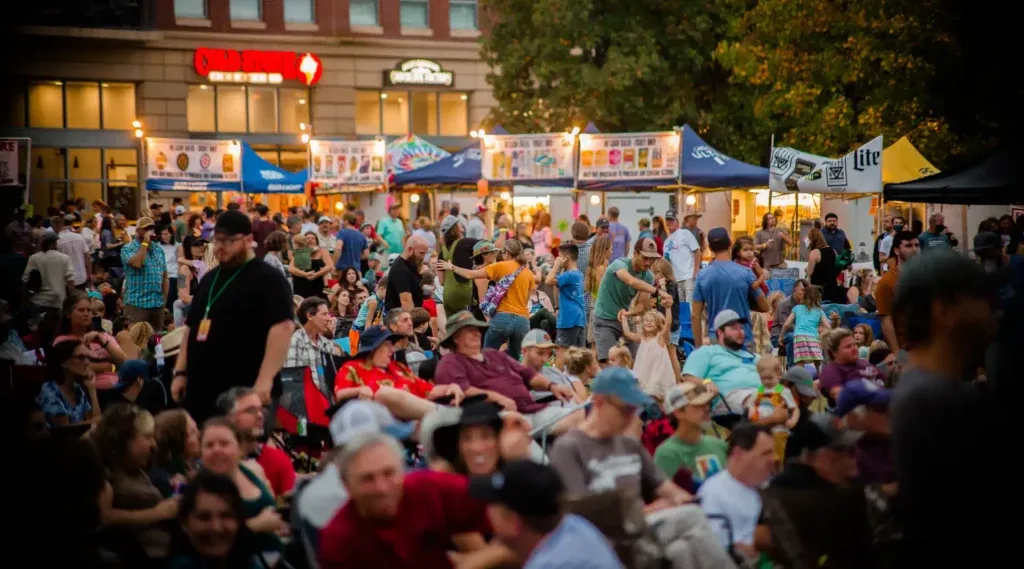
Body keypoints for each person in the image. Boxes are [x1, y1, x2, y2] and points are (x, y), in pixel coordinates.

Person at [548, 367, 734, 568]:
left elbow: (665, 486)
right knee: (692, 518)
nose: (632, 417)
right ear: (600, 402)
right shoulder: (569, 448)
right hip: (604, 538)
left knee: (681, 550)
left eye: (635, 410)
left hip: (641, 532)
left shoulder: (629, 445)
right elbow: (579, 514)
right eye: (626, 409)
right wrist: (647, 511)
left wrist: (680, 498)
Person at [889, 251, 1000, 566]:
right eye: (983, 299)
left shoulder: (920, 389)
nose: (994, 312)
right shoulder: (937, 400)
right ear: (944, 311)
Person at [171, 211, 295, 424]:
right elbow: (190, 329)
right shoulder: (209, 279)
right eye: (217, 240)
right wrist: (180, 371)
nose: (220, 247)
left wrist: (264, 382)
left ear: (248, 240)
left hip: (245, 388)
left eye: (228, 241)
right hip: (202, 389)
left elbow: (282, 328)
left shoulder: (268, 278)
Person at [317, 431, 491, 569]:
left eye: (389, 473)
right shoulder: (338, 541)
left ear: (402, 472)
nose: (382, 488)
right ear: (347, 485)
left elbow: (503, 498)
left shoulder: (428, 488)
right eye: (367, 479)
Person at [434, 311, 583, 433]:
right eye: (469, 330)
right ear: (455, 338)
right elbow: (463, 390)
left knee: (579, 415)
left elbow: (528, 374)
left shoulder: (494, 354)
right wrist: (499, 398)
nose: (477, 333)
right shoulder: (451, 362)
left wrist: (552, 386)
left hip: (531, 411)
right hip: (500, 420)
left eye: (477, 329)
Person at [469, 460, 626, 569]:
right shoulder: (574, 525)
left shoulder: (550, 564)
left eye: (491, 503)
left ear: (512, 520)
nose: (487, 510)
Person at [198, 418, 285, 561]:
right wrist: (257, 525)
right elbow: (208, 542)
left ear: (239, 448)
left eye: (224, 443)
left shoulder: (250, 470)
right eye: (209, 445)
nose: (217, 450)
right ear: (201, 452)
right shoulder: (201, 489)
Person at [440, 239, 536, 360]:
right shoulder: (528, 272)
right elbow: (526, 299)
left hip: (502, 318)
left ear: (506, 253)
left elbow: (470, 274)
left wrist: (452, 267)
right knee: (515, 361)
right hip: (523, 321)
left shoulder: (501, 266)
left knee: (487, 357)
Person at [697, 423, 776, 561]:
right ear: (738, 454)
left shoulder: (772, 487)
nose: (773, 459)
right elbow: (714, 551)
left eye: (772, 452)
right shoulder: (714, 493)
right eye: (765, 453)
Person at [165, 471, 264, 569]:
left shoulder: (248, 561)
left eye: (226, 516)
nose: (216, 528)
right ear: (184, 523)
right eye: (204, 517)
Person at [592, 238, 670, 362]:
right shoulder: (619, 264)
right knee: (610, 363)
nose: (648, 262)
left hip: (624, 320)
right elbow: (631, 281)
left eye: (652, 259)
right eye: (645, 258)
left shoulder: (648, 275)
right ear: (635, 254)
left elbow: (641, 305)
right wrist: (658, 291)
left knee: (635, 360)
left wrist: (628, 313)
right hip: (604, 319)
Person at [691, 228, 769, 351]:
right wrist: (744, 303)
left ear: (710, 249)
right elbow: (765, 306)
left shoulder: (702, 276)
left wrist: (698, 347)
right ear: (730, 244)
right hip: (742, 337)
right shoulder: (746, 273)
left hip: (717, 338)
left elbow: (695, 315)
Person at [653, 382, 726, 486]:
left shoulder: (719, 445)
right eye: (698, 405)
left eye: (707, 404)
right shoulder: (667, 454)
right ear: (678, 412)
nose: (707, 409)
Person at [36, 338, 102, 427]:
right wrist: (97, 422)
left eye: (88, 358)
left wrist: (92, 390)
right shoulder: (49, 389)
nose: (87, 362)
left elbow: (94, 419)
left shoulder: (77, 388)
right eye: (81, 357)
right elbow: (64, 429)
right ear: (64, 362)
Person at [874, 230, 919, 353]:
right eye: (908, 246)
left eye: (917, 245)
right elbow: (886, 321)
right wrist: (897, 353)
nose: (915, 250)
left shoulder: (924, 275)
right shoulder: (887, 282)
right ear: (896, 250)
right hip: (906, 346)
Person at [121, 216, 169, 331]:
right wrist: (145, 243)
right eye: (146, 228)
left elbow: (165, 277)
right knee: (137, 341)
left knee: (157, 341)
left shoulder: (158, 250)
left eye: (152, 228)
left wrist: (164, 300)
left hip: (157, 304)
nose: (150, 231)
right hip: (137, 304)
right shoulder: (128, 249)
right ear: (138, 231)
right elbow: (138, 263)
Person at [620, 305, 676, 401]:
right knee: (643, 396)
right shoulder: (642, 339)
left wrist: (668, 308)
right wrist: (624, 318)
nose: (648, 323)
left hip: (656, 373)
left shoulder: (659, 338)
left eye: (652, 321)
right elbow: (628, 333)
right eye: (646, 320)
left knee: (656, 396)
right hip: (644, 373)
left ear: (658, 324)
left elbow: (668, 324)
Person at [749, 355, 799, 462]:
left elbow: (795, 408)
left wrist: (792, 420)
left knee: (778, 458)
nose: (766, 382)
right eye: (763, 378)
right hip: (762, 431)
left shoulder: (783, 391)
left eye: (770, 378)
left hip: (779, 431)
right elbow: (752, 406)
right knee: (764, 458)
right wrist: (752, 412)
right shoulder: (758, 392)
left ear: (778, 375)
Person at [22, 232, 74, 320]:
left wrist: (25, 299)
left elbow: (25, 280)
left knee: (37, 330)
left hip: (38, 301)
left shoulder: (34, 258)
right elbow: (70, 280)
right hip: (58, 302)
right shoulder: (65, 258)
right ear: (54, 243)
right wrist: (72, 299)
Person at [546, 242, 587, 348]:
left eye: (559, 256)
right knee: (577, 356)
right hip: (578, 319)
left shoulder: (569, 275)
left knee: (561, 353)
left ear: (566, 258)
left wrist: (556, 265)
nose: (558, 258)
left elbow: (548, 280)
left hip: (568, 319)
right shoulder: (577, 273)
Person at [779, 283, 830, 367]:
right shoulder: (819, 311)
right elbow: (828, 327)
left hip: (799, 338)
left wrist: (781, 337)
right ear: (818, 298)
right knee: (818, 363)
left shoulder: (797, 308)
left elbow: (786, 324)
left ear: (804, 296)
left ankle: (800, 379)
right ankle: (821, 378)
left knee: (800, 362)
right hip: (813, 337)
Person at [662, 210, 702, 302]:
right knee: (681, 307)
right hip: (675, 279)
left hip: (688, 277)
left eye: (672, 220)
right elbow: (666, 262)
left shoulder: (685, 233)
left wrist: (696, 270)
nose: (669, 223)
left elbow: (697, 251)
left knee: (690, 305)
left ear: (677, 222)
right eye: (667, 221)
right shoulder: (666, 242)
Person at [385, 234, 429, 312]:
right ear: (410, 249)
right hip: (399, 318)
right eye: (421, 253)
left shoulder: (411, 264)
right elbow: (406, 301)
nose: (423, 257)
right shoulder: (401, 270)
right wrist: (413, 321)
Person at [805, 227, 846, 305]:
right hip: (832, 287)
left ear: (812, 240)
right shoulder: (832, 250)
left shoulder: (814, 253)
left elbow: (809, 272)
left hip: (818, 289)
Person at [54, 214, 92, 290]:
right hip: (81, 277)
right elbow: (87, 257)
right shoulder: (79, 237)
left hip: (66, 280)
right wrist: (89, 275)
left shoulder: (57, 241)